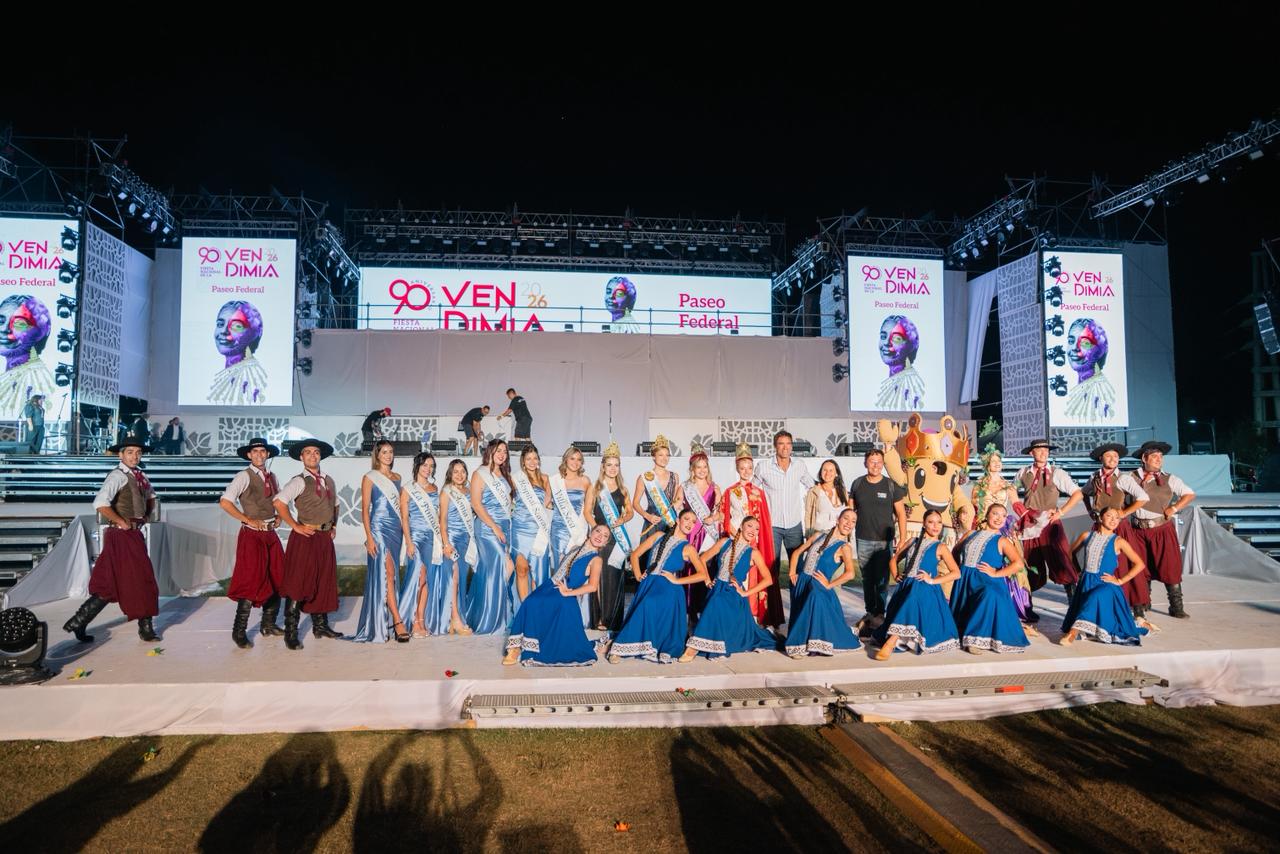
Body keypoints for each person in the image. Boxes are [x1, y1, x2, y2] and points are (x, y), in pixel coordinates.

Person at [62, 438, 162, 644]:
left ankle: (78, 621)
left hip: (131, 535)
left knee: (109, 582)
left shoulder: (140, 475)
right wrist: (121, 521)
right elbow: (100, 503)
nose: (135, 456)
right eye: (130, 452)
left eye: (138, 452)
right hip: (122, 536)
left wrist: (145, 517)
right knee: (142, 579)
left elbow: (151, 497)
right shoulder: (117, 476)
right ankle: (145, 628)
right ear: (120, 454)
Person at [607, 509, 711, 663]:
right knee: (645, 608)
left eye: (693, 522)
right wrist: (638, 575)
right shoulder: (658, 536)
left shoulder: (688, 548)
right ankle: (621, 647)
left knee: (648, 605)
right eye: (687, 519)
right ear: (678, 520)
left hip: (669, 587)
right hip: (649, 583)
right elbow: (635, 555)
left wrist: (677, 581)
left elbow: (702, 574)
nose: (690, 523)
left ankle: (628, 646)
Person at [503, 525, 611, 666]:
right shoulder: (575, 548)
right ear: (590, 532)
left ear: (605, 543)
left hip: (565, 593)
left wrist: (568, 592)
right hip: (550, 586)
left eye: (605, 536)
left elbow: (592, 586)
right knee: (530, 601)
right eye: (598, 531)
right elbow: (561, 571)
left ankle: (524, 649)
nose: (600, 536)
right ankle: (516, 647)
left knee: (537, 603)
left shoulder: (596, 560)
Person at [274, 439, 343, 650]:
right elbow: (278, 502)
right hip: (305, 537)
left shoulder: (329, 480)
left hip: (324, 538)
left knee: (322, 581)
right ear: (301, 457)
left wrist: (333, 526)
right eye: (308, 452)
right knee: (299, 583)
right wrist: (295, 525)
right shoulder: (299, 481)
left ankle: (320, 626)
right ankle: (291, 632)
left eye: (316, 452)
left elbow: (336, 505)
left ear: (320, 456)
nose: (313, 455)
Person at [218, 437, 287, 648]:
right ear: (249, 455)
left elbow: (277, 500)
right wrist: (247, 519)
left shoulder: (272, 476)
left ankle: (268, 624)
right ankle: (238, 631)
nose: (259, 455)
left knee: (277, 575)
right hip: (252, 535)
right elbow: (225, 502)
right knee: (250, 580)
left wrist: (279, 516)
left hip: (270, 534)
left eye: (262, 451)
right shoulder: (244, 476)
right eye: (255, 451)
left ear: (267, 454)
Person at [681, 516, 778, 660]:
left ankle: (693, 647)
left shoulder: (754, 553)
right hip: (716, 589)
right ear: (741, 527)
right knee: (715, 601)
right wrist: (707, 580)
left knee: (716, 602)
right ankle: (701, 642)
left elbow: (768, 579)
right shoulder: (724, 542)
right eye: (750, 526)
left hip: (734, 595)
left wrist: (745, 593)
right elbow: (702, 559)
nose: (753, 530)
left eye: (757, 529)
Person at [872, 509, 961, 659]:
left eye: (939, 522)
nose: (936, 526)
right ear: (924, 524)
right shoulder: (913, 541)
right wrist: (896, 575)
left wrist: (932, 580)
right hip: (906, 586)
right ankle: (891, 637)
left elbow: (956, 573)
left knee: (914, 596)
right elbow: (893, 560)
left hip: (926, 588)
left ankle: (891, 641)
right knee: (911, 595)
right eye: (931, 522)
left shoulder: (941, 547)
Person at [1080, 442, 1151, 623]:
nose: (1113, 459)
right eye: (1109, 456)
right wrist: (1090, 510)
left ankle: (1137, 607)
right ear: (1101, 458)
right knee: (1101, 564)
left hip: (1119, 527)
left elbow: (1143, 497)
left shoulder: (1123, 478)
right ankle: (1103, 603)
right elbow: (1083, 493)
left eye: (1116, 456)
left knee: (1125, 564)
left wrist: (1124, 513)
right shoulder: (1095, 477)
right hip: (1100, 526)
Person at [1015, 439, 1085, 621]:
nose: (1043, 453)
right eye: (1039, 450)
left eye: (1046, 450)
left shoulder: (1057, 473)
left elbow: (1078, 493)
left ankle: (1074, 610)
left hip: (1050, 523)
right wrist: (1019, 510)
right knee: (1029, 566)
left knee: (1063, 564)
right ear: (1031, 453)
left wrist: (1061, 512)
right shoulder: (1023, 472)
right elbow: (1010, 491)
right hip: (1030, 525)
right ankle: (1026, 609)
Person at [1125, 441, 1196, 619]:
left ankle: (1176, 606)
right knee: (1139, 566)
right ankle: (1142, 603)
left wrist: (1174, 508)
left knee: (1169, 566)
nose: (1159, 459)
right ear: (1144, 458)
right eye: (1154, 456)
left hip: (1161, 529)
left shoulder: (1170, 478)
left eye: (1161, 456)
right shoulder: (1130, 477)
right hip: (1137, 530)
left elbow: (1189, 493)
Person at [1060, 507, 1150, 646]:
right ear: (1100, 518)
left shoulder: (1119, 541)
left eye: (1117, 518)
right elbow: (1070, 552)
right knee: (1089, 604)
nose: (1114, 520)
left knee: (1094, 597)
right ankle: (1137, 622)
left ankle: (1073, 633)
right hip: (1086, 583)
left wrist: (1120, 580)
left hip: (1106, 584)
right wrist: (1077, 571)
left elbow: (1140, 564)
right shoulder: (1086, 536)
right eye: (1109, 516)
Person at [951, 505, 1030, 654]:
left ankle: (975, 639)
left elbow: (1018, 564)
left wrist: (996, 573)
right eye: (995, 514)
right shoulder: (970, 533)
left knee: (989, 595)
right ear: (987, 515)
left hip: (988, 582)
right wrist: (959, 568)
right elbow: (955, 552)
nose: (999, 518)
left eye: (1003, 516)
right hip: (965, 581)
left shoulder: (1002, 540)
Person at [399, 451, 462, 637]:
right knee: (418, 577)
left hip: (432, 539)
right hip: (416, 539)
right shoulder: (407, 489)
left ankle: (421, 619)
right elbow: (404, 518)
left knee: (426, 579)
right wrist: (408, 542)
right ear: (417, 466)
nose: (428, 469)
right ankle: (412, 620)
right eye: (425, 465)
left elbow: (441, 516)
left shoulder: (435, 488)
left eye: (431, 466)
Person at [752, 430, 814, 620]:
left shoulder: (799, 466)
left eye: (788, 443)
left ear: (791, 446)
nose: (785, 447)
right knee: (772, 570)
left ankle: (798, 615)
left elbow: (813, 487)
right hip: (772, 527)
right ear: (775, 446)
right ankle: (772, 616)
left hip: (794, 526)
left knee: (798, 570)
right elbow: (752, 491)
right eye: (781, 444)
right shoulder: (763, 467)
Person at [785, 509, 861, 658]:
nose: (849, 523)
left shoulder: (845, 547)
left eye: (853, 521)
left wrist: (829, 585)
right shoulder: (818, 536)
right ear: (838, 519)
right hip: (803, 583)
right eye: (846, 518)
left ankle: (798, 646)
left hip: (818, 586)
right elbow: (797, 552)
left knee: (815, 596)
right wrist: (792, 572)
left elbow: (850, 573)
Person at [848, 448, 908, 637]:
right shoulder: (857, 484)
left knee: (882, 580)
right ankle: (869, 612)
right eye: (872, 461)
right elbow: (850, 512)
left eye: (879, 462)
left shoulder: (890, 486)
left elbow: (901, 514)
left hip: (884, 542)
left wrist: (903, 538)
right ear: (865, 463)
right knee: (867, 579)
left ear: (883, 464)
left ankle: (880, 614)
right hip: (863, 539)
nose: (875, 465)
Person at [351, 440, 408, 643]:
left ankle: (387, 620)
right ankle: (397, 622)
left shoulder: (397, 478)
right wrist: (369, 537)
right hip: (379, 529)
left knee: (392, 576)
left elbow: (401, 506)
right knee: (387, 573)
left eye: (391, 452)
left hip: (396, 530)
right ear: (377, 455)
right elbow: (365, 510)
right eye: (384, 452)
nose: (388, 455)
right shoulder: (369, 477)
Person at [722, 443, 779, 628]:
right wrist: (737, 537)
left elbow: (763, 521)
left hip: (754, 542)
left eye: (749, 468)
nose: (746, 471)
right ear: (737, 469)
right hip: (736, 540)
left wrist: (755, 540)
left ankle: (753, 616)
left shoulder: (759, 492)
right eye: (742, 468)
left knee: (753, 577)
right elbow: (725, 517)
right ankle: (735, 616)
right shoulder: (730, 491)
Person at [465, 438, 515, 634]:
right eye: (498, 450)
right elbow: (476, 504)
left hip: (504, 526)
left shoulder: (504, 474)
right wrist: (494, 527)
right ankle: (490, 620)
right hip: (487, 528)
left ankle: (490, 614)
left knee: (495, 570)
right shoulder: (480, 473)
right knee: (502, 567)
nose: (502, 454)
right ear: (490, 452)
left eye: (504, 451)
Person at [585, 442, 634, 631]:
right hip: (600, 539)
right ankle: (600, 618)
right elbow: (587, 512)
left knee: (614, 577)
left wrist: (623, 519)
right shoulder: (595, 488)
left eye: (616, 465)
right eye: (609, 465)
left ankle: (613, 619)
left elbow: (630, 512)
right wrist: (596, 531)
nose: (613, 468)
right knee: (599, 576)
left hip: (616, 539)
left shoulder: (623, 489)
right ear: (603, 467)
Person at [681, 444, 722, 622]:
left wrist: (713, 519)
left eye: (705, 466)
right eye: (698, 467)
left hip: (709, 536)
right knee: (690, 569)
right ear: (692, 469)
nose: (702, 470)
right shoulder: (685, 487)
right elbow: (678, 509)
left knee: (708, 568)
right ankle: (690, 612)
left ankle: (705, 610)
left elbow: (721, 513)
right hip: (691, 534)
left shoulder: (715, 488)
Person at [435, 458, 476, 636]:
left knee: (460, 579)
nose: (460, 475)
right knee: (454, 577)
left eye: (463, 471)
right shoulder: (446, 492)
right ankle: (455, 618)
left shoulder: (469, 491)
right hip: (451, 539)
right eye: (456, 471)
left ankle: (458, 617)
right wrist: (446, 543)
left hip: (466, 540)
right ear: (450, 474)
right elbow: (442, 520)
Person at [510, 444, 554, 603]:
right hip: (519, 529)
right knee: (521, 570)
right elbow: (509, 502)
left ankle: (537, 609)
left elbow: (547, 504)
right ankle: (525, 607)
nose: (532, 462)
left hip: (539, 529)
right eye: (528, 459)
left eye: (535, 458)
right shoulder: (515, 479)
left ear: (539, 460)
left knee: (538, 572)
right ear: (523, 461)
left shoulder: (546, 479)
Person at [549, 445, 591, 570]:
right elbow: (546, 503)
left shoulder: (585, 481)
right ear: (566, 459)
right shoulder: (555, 480)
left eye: (579, 459)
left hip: (578, 528)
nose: (575, 462)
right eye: (572, 458)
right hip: (559, 530)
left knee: (575, 566)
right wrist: (559, 510)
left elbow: (588, 508)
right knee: (559, 566)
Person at [632, 434, 683, 535]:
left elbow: (675, 501)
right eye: (660, 455)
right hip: (652, 522)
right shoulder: (644, 477)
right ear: (653, 457)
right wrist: (648, 516)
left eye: (667, 455)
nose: (664, 458)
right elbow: (635, 503)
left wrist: (675, 513)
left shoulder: (675, 476)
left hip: (669, 522)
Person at [804, 459, 849, 536]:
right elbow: (808, 516)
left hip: (840, 536)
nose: (827, 473)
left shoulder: (843, 491)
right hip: (820, 535)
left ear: (836, 473)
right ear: (820, 473)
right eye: (825, 470)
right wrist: (809, 536)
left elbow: (847, 515)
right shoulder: (813, 491)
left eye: (831, 470)